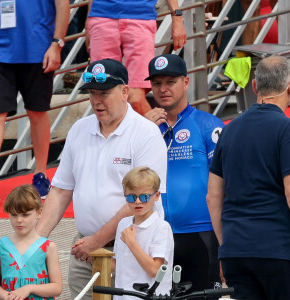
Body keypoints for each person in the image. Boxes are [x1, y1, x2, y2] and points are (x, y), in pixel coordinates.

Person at [36, 58, 168, 300]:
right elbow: (61, 190)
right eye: (92, 93)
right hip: (85, 250)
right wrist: (35, 242)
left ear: (125, 92)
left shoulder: (146, 134)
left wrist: (95, 242)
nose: (97, 100)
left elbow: (139, 202)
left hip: (131, 250)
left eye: (104, 93)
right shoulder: (79, 129)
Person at [206, 55, 290, 300]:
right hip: (280, 250)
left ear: (254, 86)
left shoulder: (228, 130)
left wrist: (226, 245)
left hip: (236, 250)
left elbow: (213, 197)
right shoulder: (288, 129)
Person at [145, 54, 224, 293]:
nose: (163, 89)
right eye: (157, 83)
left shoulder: (208, 125)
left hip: (200, 234)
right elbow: (124, 176)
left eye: (170, 82)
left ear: (186, 82)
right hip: (156, 235)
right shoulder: (144, 128)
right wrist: (143, 130)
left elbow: (225, 184)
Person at [0, 0, 70, 200]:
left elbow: (63, 5)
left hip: (39, 50)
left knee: (37, 112)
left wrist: (57, 44)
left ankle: (40, 174)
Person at [74, 167, 174, 298]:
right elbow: (119, 264)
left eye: (144, 197)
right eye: (132, 197)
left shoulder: (161, 227)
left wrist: (131, 242)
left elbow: (155, 270)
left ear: (156, 196)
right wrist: (93, 254)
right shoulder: (123, 224)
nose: (138, 202)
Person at [85, 0, 187, 115]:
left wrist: (177, 17)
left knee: (135, 98)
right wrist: (88, 24)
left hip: (140, 17)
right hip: (101, 17)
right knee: (103, 96)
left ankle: (159, 132)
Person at [0, 184, 62, 300]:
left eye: (25, 215)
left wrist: (30, 288)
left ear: (39, 212)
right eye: (14, 215)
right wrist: (5, 295)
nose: (19, 220)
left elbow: (57, 288)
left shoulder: (48, 247)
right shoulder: (0, 246)